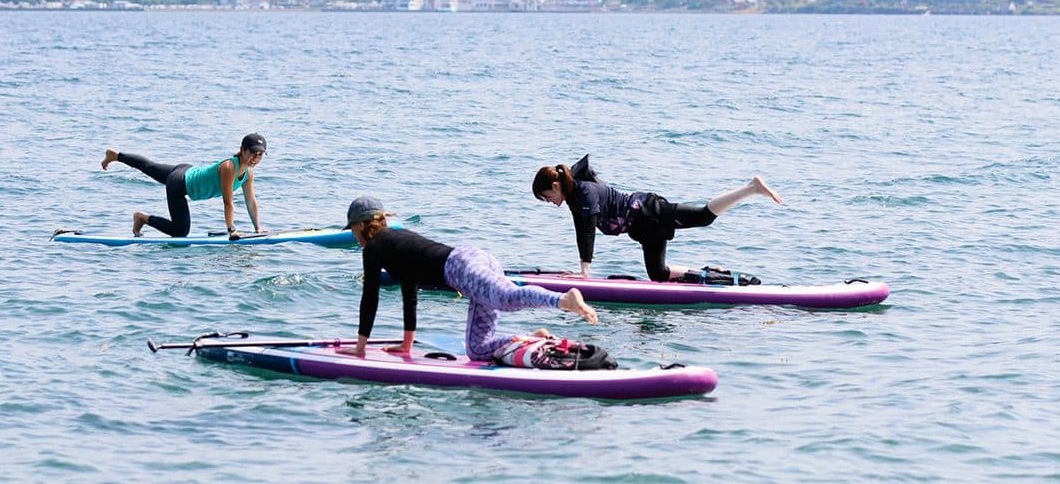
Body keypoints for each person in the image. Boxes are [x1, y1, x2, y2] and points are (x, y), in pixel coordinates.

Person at [334, 195, 598, 360]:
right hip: (472, 259)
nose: (354, 236)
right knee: (477, 349)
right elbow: (409, 292)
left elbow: (370, 297)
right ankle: (531, 338)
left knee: (506, 297)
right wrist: (406, 345)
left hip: (461, 268)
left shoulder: (374, 247)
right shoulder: (395, 242)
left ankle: (564, 299)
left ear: (360, 226)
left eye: (353, 230)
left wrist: (360, 347)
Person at [532, 155, 782, 282]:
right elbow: (581, 229)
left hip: (650, 212)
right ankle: (712, 276)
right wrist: (582, 270)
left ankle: (751, 188)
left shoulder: (583, 194)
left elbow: (586, 232)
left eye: (547, 196)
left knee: (704, 216)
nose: (549, 202)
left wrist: (583, 273)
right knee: (659, 275)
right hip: (643, 228)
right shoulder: (576, 195)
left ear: (556, 185)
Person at [100, 133, 270, 239]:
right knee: (180, 232)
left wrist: (258, 228)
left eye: (259, 155)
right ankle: (142, 218)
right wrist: (231, 230)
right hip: (179, 185)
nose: (255, 158)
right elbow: (228, 202)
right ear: (242, 150)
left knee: (150, 167)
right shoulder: (229, 167)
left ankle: (116, 156)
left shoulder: (248, 172)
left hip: (186, 171)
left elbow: (251, 202)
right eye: (252, 153)